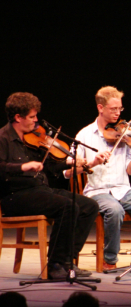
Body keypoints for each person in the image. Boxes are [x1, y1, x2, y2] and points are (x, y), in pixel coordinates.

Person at [0, 92, 99, 279]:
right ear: (18, 117)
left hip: (40, 190)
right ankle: (54, 264)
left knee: (89, 206)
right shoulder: (3, 138)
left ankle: (68, 262)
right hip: (15, 195)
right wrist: (22, 166)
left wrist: (68, 163)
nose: (36, 120)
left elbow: (48, 167)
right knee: (67, 206)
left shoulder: (30, 139)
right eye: (32, 117)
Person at [74, 86, 131, 273]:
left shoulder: (125, 133)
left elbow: (130, 171)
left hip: (123, 189)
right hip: (97, 191)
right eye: (113, 109)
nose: (118, 113)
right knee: (114, 209)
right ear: (100, 108)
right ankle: (109, 259)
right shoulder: (85, 135)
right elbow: (71, 167)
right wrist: (93, 162)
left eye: (120, 109)